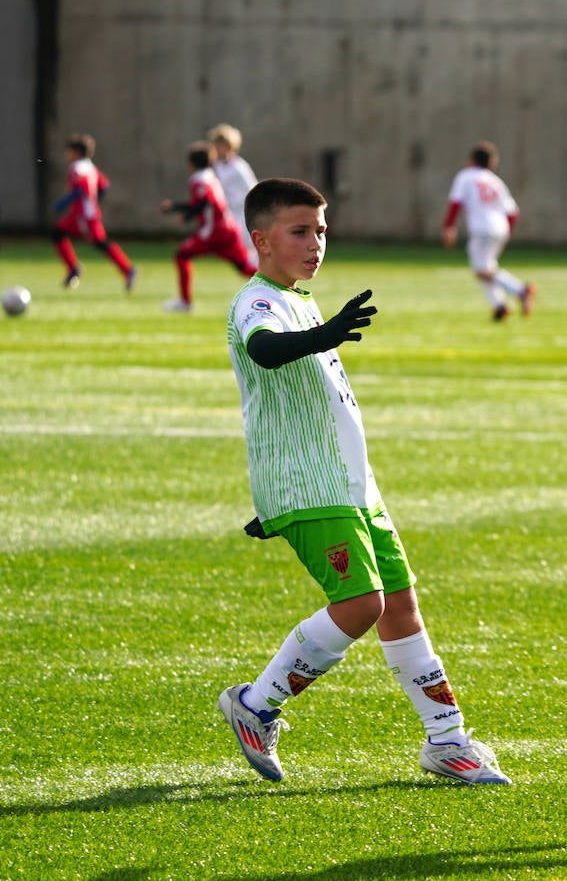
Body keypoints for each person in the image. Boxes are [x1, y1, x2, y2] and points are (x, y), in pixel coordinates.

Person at [218, 177, 511, 784]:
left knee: (399, 604)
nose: (315, 242)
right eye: (300, 231)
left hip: (350, 486)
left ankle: (447, 740)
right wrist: (323, 337)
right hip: (312, 487)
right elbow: (267, 351)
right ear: (261, 239)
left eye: (321, 230)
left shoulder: (301, 299)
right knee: (361, 604)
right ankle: (255, 705)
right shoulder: (258, 300)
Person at [159, 142, 256, 312]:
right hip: (228, 229)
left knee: (181, 255)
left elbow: (204, 203)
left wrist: (174, 207)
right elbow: (205, 204)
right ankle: (281, 284)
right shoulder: (210, 176)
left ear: (191, 164)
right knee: (245, 268)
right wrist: (187, 215)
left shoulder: (199, 180)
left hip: (214, 233)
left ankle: (185, 302)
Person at [443, 141, 535, 321]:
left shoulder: (466, 176)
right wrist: (506, 231)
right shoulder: (495, 181)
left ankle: (520, 290)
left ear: (471, 161)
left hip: (481, 228)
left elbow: (456, 202)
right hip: (500, 227)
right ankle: (499, 306)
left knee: (481, 270)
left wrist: (449, 226)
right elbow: (513, 212)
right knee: (486, 268)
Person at [51, 133, 137, 291]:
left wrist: (63, 203)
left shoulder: (77, 167)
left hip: (83, 215)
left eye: (69, 152)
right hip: (85, 213)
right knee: (58, 232)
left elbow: (81, 187)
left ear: (76, 153)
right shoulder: (90, 166)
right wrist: (92, 201)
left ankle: (128, 269)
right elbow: (104, 186)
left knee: (99, 243)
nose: (67, 155)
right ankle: (73, 268)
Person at [209, 123, 260, 266]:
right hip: (228, 214)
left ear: (230, 146)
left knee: (248, 247)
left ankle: (261, 277)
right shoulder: (216, 166)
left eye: (222, 145)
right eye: (216, 145)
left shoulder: (239, 166)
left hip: (242, 213)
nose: (218, 149)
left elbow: (252, 188)